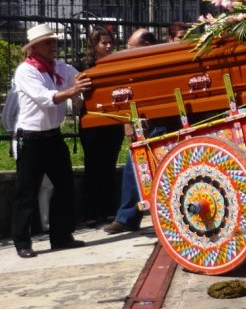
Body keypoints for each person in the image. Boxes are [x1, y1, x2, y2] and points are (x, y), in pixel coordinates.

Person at [11, 23, 91, 258]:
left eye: (54, 41)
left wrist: (81, 90)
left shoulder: (58, 68)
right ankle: (22, 242)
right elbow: (46, 98)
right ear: (34, 47)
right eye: (48, 42)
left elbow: (79, 78)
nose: (53, 46)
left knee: (65, 186)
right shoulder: (26, 71)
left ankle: (61, 236)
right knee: (26, 191)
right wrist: (72, 91)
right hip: (32, 138)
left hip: (52, 136)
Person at [103, 29, 160, 234]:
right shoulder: (134, 63)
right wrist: (128, 120)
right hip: (145, 123)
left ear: (145, 45)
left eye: (130, 44)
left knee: (141, 167)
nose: (126, 48)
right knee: (133, 167)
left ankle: (131, 216)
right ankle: (127, 217)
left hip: (163, 122)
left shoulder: (161, 60)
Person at [78, 28, 123, 225]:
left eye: (110, 42)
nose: (108, 46)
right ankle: (90, 212)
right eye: (104, 43)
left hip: (112, 120)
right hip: (92, 120)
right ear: (94, 45)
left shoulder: (117, 63)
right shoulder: (83, 66)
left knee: (109, 166)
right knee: (93, 166)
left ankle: (107, 209)